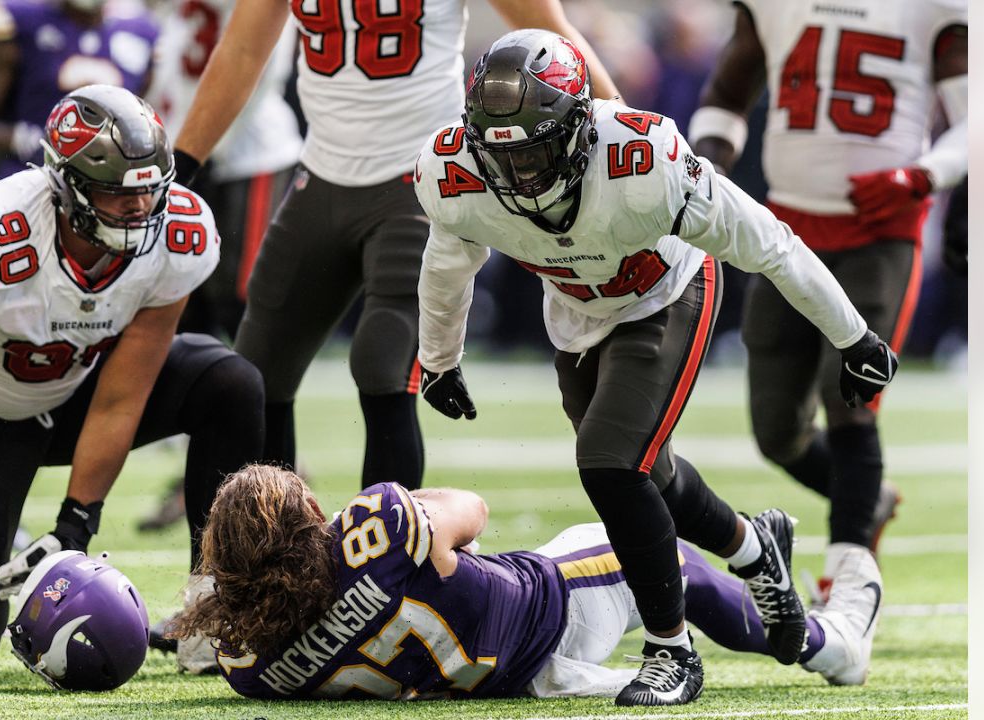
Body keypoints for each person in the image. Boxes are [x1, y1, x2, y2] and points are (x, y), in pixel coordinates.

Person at [412, 30, 898, 705]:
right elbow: (447, 265)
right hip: (579, 313)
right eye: (505, 156)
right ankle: (754, 549)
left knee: (611, 462)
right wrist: (438, 358)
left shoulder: (646, 161)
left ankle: (673, 652)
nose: (522, 175)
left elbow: (771, 245)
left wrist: (855, 337)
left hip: (668, 295)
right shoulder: (453, 174)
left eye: (536, 150)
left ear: (580, 128)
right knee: (652, 478)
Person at [169, 0, 622, 493]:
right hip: (321, 174)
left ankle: (385, 562)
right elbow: (240, 51)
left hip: (420, 176)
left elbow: (550, 31)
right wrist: (182, 166)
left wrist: (624, 133)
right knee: (257, 372)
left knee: (381, 363)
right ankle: (273, 552)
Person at [0, 85, 265, 673]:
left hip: (80, 384)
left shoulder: (175, 235)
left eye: (148, 190)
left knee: (229, 383)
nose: (141, 210)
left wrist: (74, 526)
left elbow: (122, 398)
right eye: (119, 195)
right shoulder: (0, 234)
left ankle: (213, 608)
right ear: (68, 186)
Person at [170, 466, 883, 702]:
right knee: (667, 560)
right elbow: (472, 510)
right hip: (551, 610)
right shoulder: (376, 530)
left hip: (501, 675)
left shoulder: (246, 664)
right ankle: (829, 642)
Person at [688, 0, 967, 597]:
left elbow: (977, 120)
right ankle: (873, 500)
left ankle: (848, 578)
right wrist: (705, 170)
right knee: (776, 432)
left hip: (879, 231)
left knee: (852, 397)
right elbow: (727, 95)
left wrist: (922, 176)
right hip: (785, 233)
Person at [137, 0, 304, 534]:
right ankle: (214, 471)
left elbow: (259, 53)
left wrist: (202, 147)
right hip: (186, 151)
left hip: (243, 155)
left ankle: (279, 475)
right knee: (186, 313)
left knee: (247, 313)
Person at [0, 0, 159, 182]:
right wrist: (26, 140)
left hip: (107, 187)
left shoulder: (143, 34)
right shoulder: (23, 20)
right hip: (33, 181)